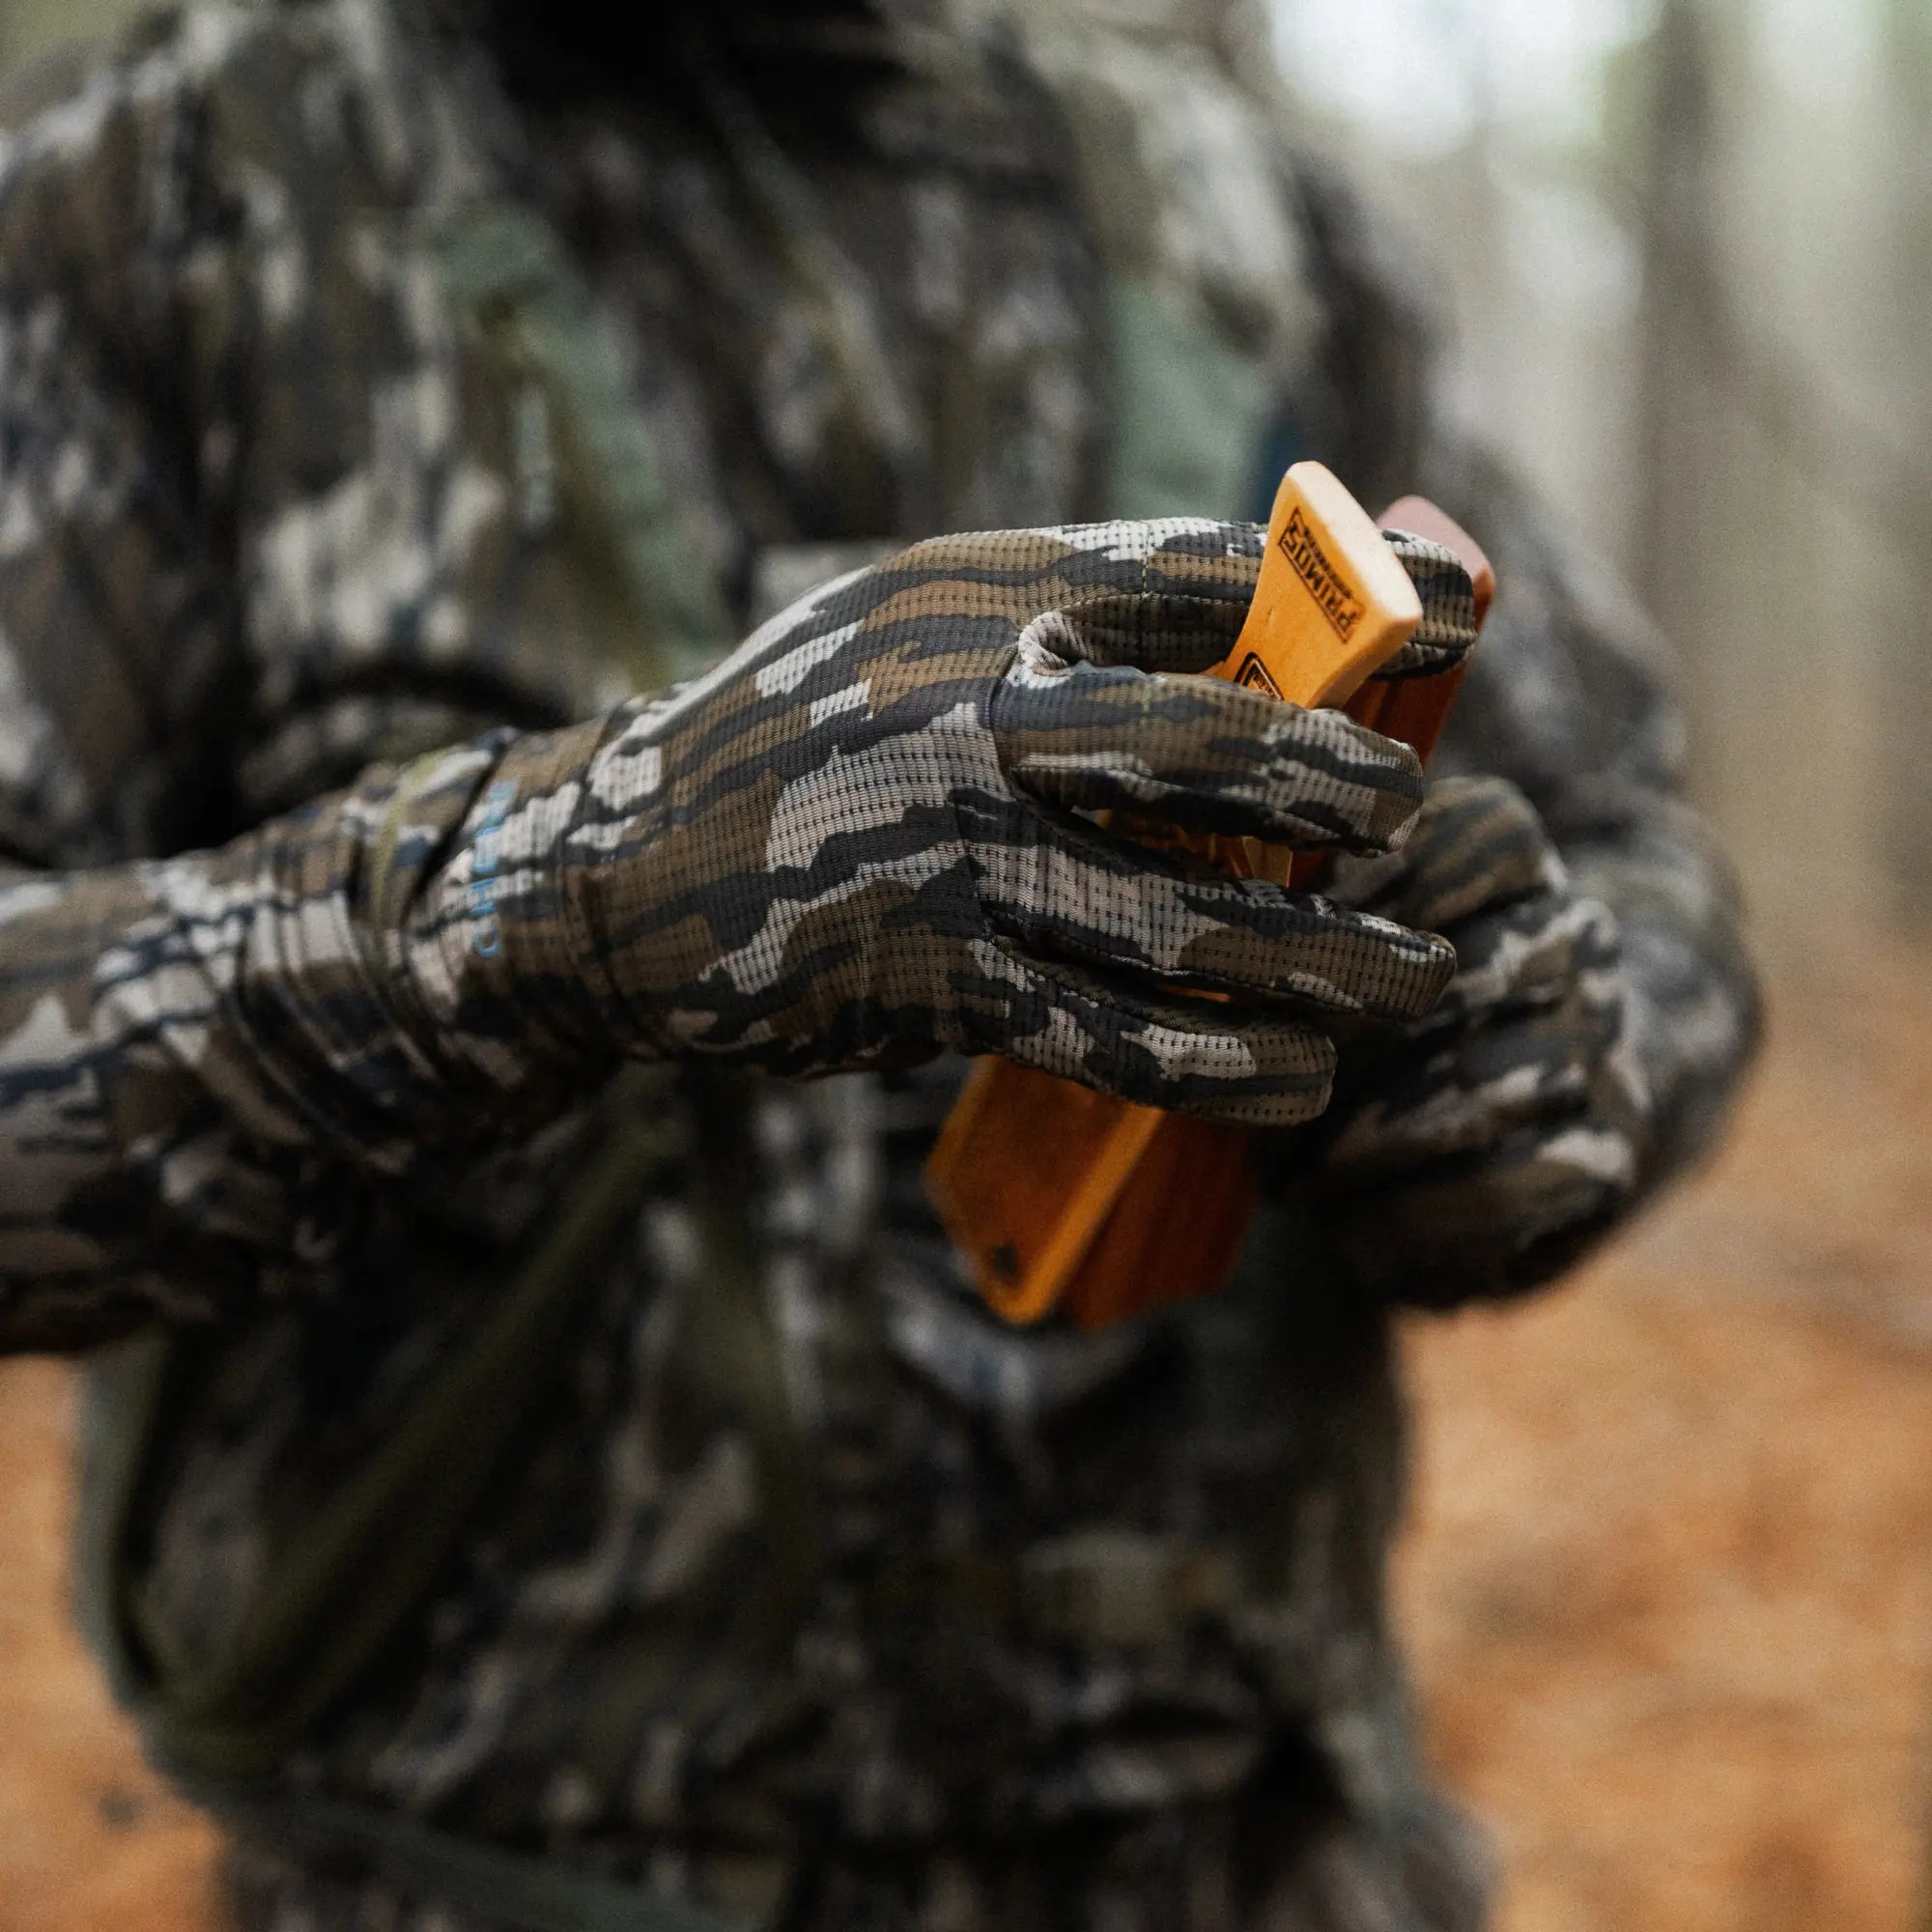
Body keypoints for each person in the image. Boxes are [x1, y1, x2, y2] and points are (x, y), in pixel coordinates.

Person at [0, 1, 1759, 1926]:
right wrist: (571, 897)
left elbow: (1639, 851)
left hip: (1255, 1861)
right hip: (490, 1874)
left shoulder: (1228, 221)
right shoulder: (171, 199)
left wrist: (1556, 1057)